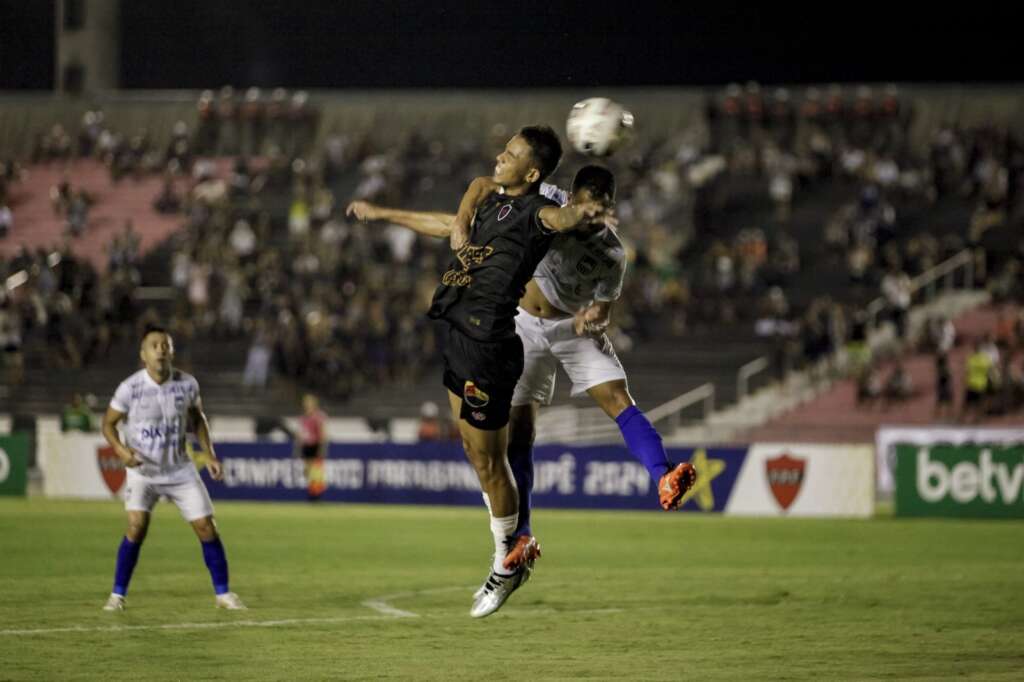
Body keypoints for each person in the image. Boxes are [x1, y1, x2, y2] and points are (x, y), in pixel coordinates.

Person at [347, 159, 695, 616]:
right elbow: (477, 195)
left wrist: (596, 317)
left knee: (618, 399)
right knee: (519, 434)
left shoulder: (613, 253)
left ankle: (663, 475)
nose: (594, 217)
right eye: (589, 207)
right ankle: (521, 537)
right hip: (522, 327)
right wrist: (385, 213)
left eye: (603, 209)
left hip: (571, 329)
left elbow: (605, 306)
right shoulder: (543, 204)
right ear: (572, 198)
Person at [99, 326, 245, 611]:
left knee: (207, 527)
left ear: (172, 351)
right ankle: (117, 595)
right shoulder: (130, 388)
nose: (161, 349)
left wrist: (209, 455)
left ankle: (223, 594)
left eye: (165, 345)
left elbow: (197, 419)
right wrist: (121, 451)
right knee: (136, 526)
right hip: (143, 471)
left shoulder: (187, 384)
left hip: (179, 470)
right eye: (154, 345)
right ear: (143, 354)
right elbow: (108, 424)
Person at [297, 393, 327, 501]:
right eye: (306, 403)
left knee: (316, 471)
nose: (307, 405)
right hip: (306, 445)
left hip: (315, 445)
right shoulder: (303, 417)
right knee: (308, 470)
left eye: (309, 402)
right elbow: (301, 433)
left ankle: (316, 495)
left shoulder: (318, 416)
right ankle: (311, 492)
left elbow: (322, 433)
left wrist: (321, 448)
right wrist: (299, 446)